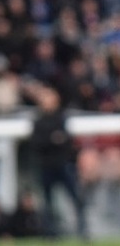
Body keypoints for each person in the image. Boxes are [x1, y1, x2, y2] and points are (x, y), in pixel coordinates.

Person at [26, 83, 89, 239]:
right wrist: (54, 139)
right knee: (47, 202)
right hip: (47, 165)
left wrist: (55, 140)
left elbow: (66, 141)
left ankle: (82, 230)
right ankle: (50, 233)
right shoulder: (38, 121)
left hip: (63, 164)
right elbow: (37, 143)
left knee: (75, 198)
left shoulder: (62, 117)